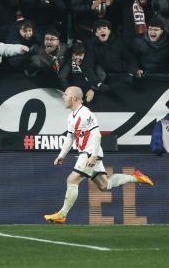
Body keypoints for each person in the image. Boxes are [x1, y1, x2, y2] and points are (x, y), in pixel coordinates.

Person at [44, 86, 154, 224]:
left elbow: (96, 134)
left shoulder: (86, 114)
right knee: (104, 185)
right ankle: (135, 177)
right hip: (88, 153)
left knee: (72, 180)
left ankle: (62, 214)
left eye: (65, 94)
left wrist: (93, 155)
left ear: (74, 98)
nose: (63, 97)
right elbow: (70, 138)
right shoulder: (71, 117)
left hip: (90, 153)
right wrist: (61, 155)